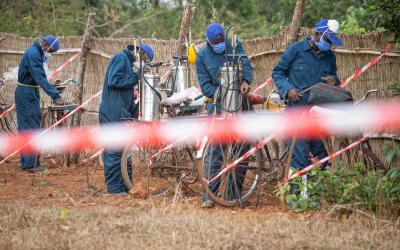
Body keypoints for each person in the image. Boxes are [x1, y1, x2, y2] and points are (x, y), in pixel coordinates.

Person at [272, 19, 343, 177]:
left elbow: (334, 79)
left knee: (321, 160)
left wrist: (334, 80)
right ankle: (297, 199)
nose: (329, 45)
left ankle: (315, 199)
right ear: (317, 34)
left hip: (318, 115)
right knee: (300, 161)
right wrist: (288, 89)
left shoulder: (329, 57)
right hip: (296, 113)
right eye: (327, 40)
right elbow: (277, 73)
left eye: (332, 42)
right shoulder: (295, 50)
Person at [195, 23, 253, 207]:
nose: (219, 46)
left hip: (241, 106)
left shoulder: (235, 45)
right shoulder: (203, 56)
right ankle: (210, 198)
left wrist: (245, 81)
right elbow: (205, 85)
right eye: (215, 43)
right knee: (215, 152)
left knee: (242, 150)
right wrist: (221, 95)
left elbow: (246, 64)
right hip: (218, 108)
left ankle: (232, 195)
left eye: (221, 42)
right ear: (209, 41)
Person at [99, 44, 154, 195]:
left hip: (121, 113)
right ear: (140, 53)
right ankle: (114, 190)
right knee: (114, 150)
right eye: (145, 60)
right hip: (112, 112)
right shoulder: (122, 58)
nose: (144, 64)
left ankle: (125, 186)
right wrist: (137, 76)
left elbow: (127, 90)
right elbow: (113, 80)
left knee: (124, 152)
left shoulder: (128, 64)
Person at [16, 35, 65, 172]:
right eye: (51, 51)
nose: (50, 53)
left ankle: (29, 161)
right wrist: (55, 96)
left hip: (29, 91)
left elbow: (39, 77)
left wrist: (51, 88)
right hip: (26, 93)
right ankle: (30, 164)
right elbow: (39, 77)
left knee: (31, 125)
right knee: (30, 127)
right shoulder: (33, 54)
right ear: (46, 45)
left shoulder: (35, 52)